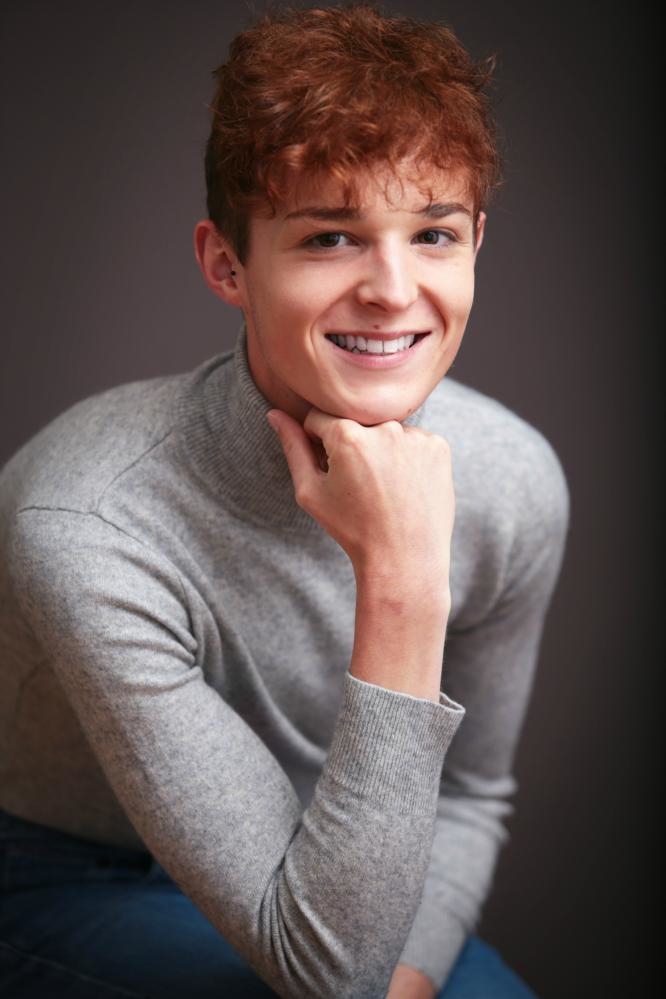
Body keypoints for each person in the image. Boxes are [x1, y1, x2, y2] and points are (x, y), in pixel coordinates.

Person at [0, 5, 569, 998]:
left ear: (476, 243)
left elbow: (471, 792)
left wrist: (406, 977)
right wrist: (402, 581)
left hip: (346, 854)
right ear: (228, 264)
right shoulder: (88, 519)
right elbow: (324, 975)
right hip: (65, 873)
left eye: (433, 233)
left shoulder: (513, 477)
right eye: (331, 237)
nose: (393, 290)